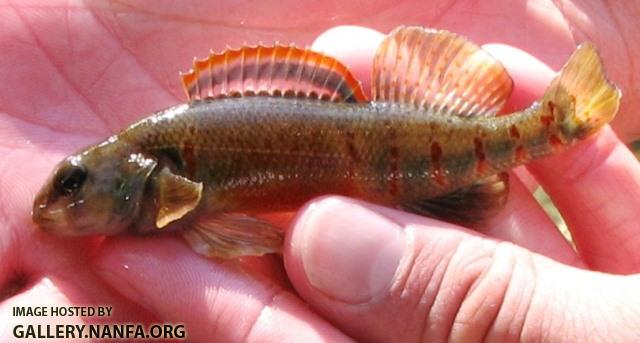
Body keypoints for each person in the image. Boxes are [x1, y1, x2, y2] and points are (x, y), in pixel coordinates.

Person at [1, 1, 640, 341]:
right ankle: (548, 125)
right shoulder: (162, 160)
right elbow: (230, 232)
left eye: (75, 185)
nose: (62, 202)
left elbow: (218, 228)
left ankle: (550, 124)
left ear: (136, 175)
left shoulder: (163, 172)